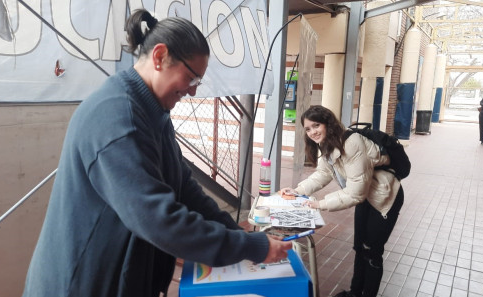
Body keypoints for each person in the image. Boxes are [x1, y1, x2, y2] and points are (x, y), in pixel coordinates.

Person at [22, 10, 291, 297]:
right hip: (82, 283)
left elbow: (184, 189)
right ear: (160, 57)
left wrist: (240, 236)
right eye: (190, 78)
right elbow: (160, 221)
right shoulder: (118, 116)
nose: (192, 91)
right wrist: (252, 248)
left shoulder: (153, 111)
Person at [281, 105, 404, 297]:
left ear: (328, 124)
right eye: (308, 129)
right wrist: (297, 190)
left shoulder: (352, 143)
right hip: (365, 194)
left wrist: (319, 204)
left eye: (316, 126)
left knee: (372, 251)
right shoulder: (327, 143)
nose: (312, 132)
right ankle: (355, 293)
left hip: (384, 197)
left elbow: (355, 193)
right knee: (359, 246)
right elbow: (323, 173)